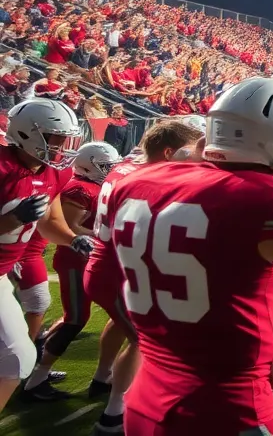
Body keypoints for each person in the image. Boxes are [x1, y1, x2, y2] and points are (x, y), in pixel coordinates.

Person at [97, 76, 273, 435]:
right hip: (229, 408)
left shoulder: (134, 183)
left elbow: (219, 283)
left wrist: (272, 357)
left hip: (146, 400)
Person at [83, 118, 204, 435]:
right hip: (120, 270)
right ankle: (112, 416)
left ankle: (101, 377)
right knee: (147, 343)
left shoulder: (126, 167)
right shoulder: (151, 179)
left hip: (105, 263)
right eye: (189, 152)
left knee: (119, 324)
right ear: (169, 152)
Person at [0, 99, 95, 413]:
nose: (62, 146)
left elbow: (51, 222)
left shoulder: (54, 173)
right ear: (27, 134)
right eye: (55, 138)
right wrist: (12, 220)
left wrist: (72, 240)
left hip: (1, 274)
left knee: (19, 359)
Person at [21, 141, 123, 403]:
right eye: (104, 166)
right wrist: (104, 235)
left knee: (76, 317)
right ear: (89, 165)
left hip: (86, 259)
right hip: (74, 258)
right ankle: (36, 380)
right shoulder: (80, 188)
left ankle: (39, 361)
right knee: (75, 319)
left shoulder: (95, 185)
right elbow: (69, 225)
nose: (109, 170)